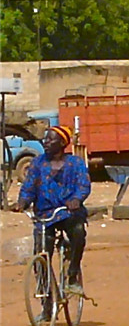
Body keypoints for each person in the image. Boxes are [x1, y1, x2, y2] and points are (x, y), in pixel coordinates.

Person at [15, 124, 92, 293]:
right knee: (41, 256)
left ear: (62, 143)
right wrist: (22, 202)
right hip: (45, 216)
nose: (46, 142)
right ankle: (47, 304)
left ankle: (72, 275)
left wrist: (76, 199)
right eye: (45, 138)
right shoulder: (37, 164)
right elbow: (29, 187)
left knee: (78, 232)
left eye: (51, 139)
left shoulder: (75, 163)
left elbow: (83, 185)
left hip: (68, 213)